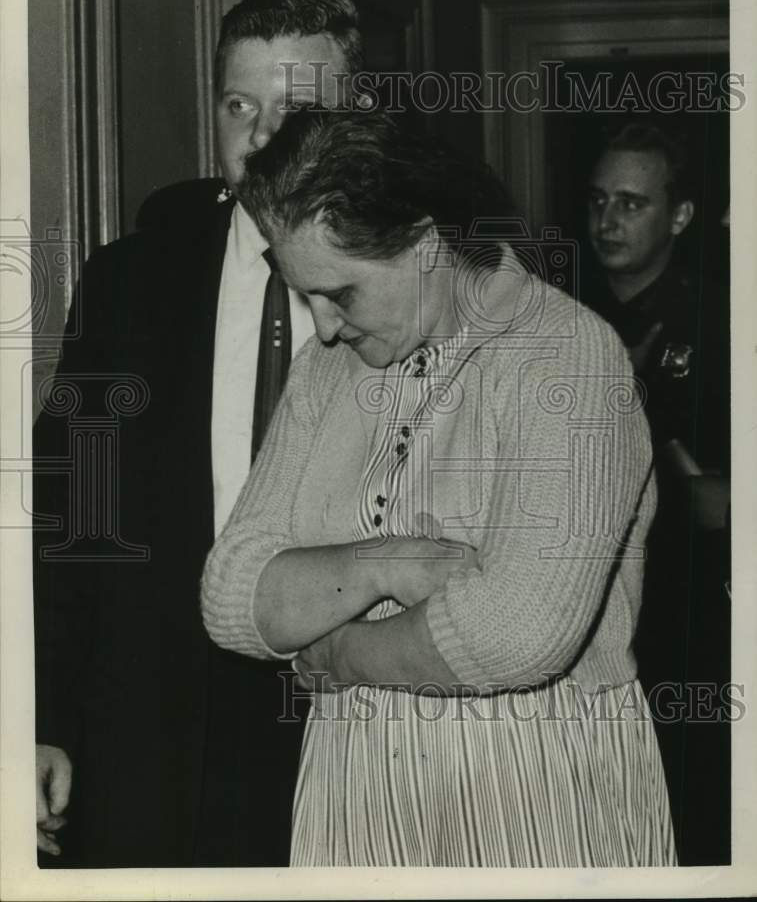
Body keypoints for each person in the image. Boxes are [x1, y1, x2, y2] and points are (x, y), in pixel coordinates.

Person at [201, 107, 676, 867]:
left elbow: (518, 634)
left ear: (425, 246)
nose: (321, 328)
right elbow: (231, 595)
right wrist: (386, 563)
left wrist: (342, 651)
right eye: (306, 296)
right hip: (352, 792)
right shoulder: (330, 369)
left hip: (530, 787)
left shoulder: (565, 357)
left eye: (342, 293)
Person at [33, 0, 363, 867]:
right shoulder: (129, 282)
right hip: (154, 724)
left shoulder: (415, 285)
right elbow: (74, 517)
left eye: (294, 108)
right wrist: (40, 719)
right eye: (238, 105)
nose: (260, 136)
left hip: (348, 713)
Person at [581, 123, 730, 864]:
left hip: (690, 625)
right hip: (581, 618)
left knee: (687, 817)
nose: (607, 221)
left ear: (678, 216)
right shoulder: (560, 319)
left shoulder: (725, 320)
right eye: (599, 199)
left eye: (632, 204)